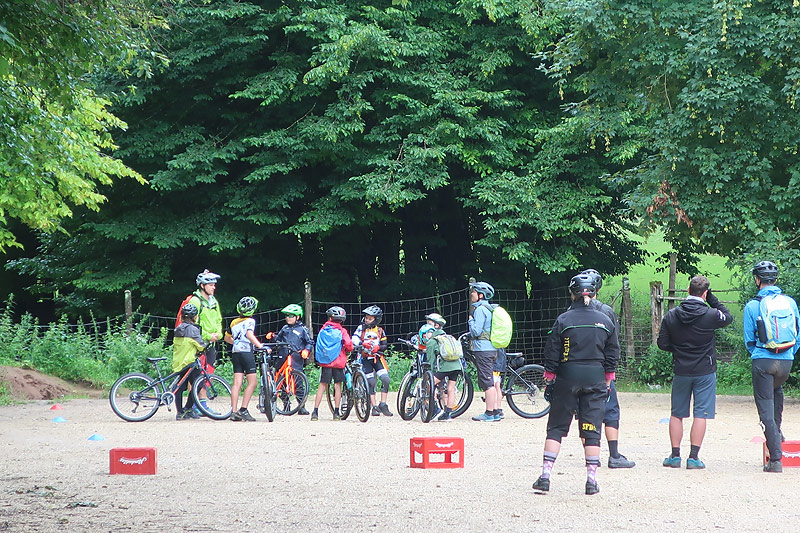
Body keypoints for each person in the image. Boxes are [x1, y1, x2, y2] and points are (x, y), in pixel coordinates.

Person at [532, 274, 619, 496]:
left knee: (557, 428)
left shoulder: (564, 319)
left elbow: (552, 352)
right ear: (595, 293)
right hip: (596, 378)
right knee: (592, 430)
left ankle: (545, 477)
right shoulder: (605, 321)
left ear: (572, 293)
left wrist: (550, 378)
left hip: (567, 376)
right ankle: (591, 481)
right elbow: (612, 353)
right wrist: (608, 379)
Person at [657, 275, 733, 470]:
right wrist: (712, 300)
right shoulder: (711, 315)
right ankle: (693, 457)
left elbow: (662, 344)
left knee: (677, 414)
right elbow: (728, 316)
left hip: (681, 369)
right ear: (705, 294)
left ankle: (675, 456)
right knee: (701, 413)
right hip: (705, 370)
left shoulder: (671, 315)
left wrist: (679, 350)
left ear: (688, 291)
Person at [743, 260, 800, 473]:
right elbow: (798, 333)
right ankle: (778, 434)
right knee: (777, 392)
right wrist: (788, 354)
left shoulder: (752, 306)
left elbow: (749, 340)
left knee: (765, 407)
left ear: (757, 280)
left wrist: (761, 353)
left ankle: (776, 460)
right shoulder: (790, 303)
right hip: (786, 361)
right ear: (775, 279)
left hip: (763, 361)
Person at [580, 269, 635, 469]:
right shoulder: (605, 311)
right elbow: (614, 342)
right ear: (598, 289)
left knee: (585, 411)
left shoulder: (570, 311)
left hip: (577, 370)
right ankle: (614, 455)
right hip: (601, 369)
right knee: (610, 409)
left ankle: (591, 457)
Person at [224, 296, 264, 421]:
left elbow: (226, 338)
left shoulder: (233, 322)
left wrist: (236, 342)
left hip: (236, 353)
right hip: (247, 353)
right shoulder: (250, 321)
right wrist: (260, 346)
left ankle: (234, 411)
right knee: (252, 382)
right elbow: (249, 334)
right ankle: (244, 409)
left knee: (237, 383)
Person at [188, 270, 223, 411]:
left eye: (214, 285)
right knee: (195, 374)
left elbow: (219, 320)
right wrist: (208, 335)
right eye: (210, 285)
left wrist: (218, 334)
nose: (213, 287)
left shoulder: (213, 302)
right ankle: (193, 404)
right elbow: (192, 323)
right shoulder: (195, 301)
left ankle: (202, 403)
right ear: (202, 285)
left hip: (211, 344)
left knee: (207, 373)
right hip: (198, 343)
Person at [311, 306, 353, 421]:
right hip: (339, 362)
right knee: (337, 385)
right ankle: (336, 412)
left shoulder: (323, 330)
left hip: (326, 362)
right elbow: (349, 344)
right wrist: (348, 349)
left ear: (330, 318)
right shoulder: (342, 331)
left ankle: (315, 412)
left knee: (322, 385)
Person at [273, 304, 314, 415]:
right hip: (283, 357)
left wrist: (306, 350)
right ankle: (286, 405)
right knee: (281, 381)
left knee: (298, 382)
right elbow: (278, 339)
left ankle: (301, 406)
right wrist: (272, 336)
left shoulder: (302, 329)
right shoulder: (284, 328)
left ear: (298, 317)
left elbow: (309, 342)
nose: (288, 318)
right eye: (286, 315)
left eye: (291, 315)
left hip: (296, 358)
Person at [468, 281, 500, 422]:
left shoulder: (480, 310)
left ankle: (489, 413)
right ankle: (495, 412)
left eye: (474, 292)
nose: (472, 295)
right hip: (491, 349)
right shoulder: (489, 308)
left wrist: (470, 321)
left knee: (487, 382)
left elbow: (476, 331)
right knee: (490, 380)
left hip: (483, 349)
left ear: (481, 295)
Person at [352, 305, 392, 416]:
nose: (367, 320)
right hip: (364, 358)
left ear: (376, 319)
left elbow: (384, 345)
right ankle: (373, 406)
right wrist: (361, 343)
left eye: (370, 318)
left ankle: (383, 404)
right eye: (366, 318)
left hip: (377, 358)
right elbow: (354, 339)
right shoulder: (361, 328)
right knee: (371, 382)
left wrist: (378, 348)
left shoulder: (380, 331)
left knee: (386, 379)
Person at [172, 303, 205, 420]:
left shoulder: (178, 329)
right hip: (189, 362)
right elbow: (201, 346)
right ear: (195, 317)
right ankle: (188, 408)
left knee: (179, 388)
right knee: (199, 384)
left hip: (178, 362)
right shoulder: (193, 330)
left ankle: (179, 412)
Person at [425, 313, 460, 422]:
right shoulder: (449, 337)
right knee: (450, 389)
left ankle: (434, 408)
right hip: (457, 366)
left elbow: (430, 362)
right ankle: (447, 414)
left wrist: (429, 373)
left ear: (436, 326)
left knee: (428, 383)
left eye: (429, 323)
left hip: (445, 367)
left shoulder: (432, 341)